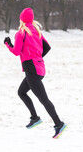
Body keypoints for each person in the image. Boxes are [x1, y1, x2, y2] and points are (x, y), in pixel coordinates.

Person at [4, 8, 67, 139]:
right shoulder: (36, 31)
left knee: (43, 99)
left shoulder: (21, 33)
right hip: (39, 68)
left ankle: (58, 124)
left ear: (21, 19)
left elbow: (16, 52)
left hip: (31, 70)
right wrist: (37, 57)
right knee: (21, 92)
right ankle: (35, 117)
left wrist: (8, 44)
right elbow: (47, 47)